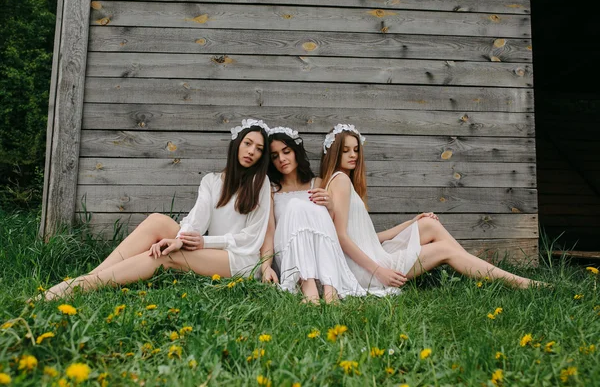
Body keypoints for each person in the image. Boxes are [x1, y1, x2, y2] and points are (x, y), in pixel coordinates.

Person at [39, 119, 272, 300]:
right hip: (213, 249)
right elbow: (196, 221)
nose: (252, 151)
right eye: (248, 144)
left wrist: (203, 243)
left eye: (259, 149)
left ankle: (86, 285)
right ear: (237, 145)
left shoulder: (260, 184)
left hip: (241, 261)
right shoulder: (211, 181)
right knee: (157, 221)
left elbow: (250, 238)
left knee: (166, 256)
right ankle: (88, 277)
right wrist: (181, 239)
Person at [320, 123, 542, 295]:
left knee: (427, 223)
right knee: (444, 250)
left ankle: (478, 269)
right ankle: (524, 284)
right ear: (333, 153)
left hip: (372, 254)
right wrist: (380, 272)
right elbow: (341, 237)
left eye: (356, 150)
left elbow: (366, 237)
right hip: (368, 269)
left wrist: (412, 222)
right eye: (346, 151)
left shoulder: (342, 181)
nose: (353, 155)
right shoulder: (339, 180)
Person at [259, 126, 365, 303]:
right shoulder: (271, 189)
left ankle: (330, 290)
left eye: (286, 152)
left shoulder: (318, 183)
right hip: (288, 251)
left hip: (320, 252)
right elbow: (269, 232)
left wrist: (330, 207)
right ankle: (309, 290)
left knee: (314, 208)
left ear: (296, 152)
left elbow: (329, 227)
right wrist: (265, 268)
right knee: (295, 205)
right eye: (275, 156)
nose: (282, 159)